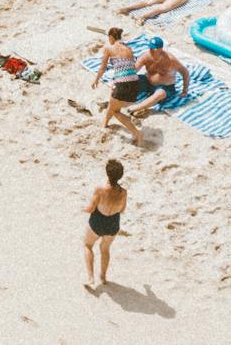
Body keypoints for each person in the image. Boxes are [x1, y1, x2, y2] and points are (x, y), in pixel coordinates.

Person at [92, 27, 145, 146]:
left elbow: (102, 67)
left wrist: (96, 80)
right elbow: (129, 67)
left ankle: (137, 133)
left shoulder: (109, 48)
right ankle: (104, 123)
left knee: (116, 111)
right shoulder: (129, 48)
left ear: (111, 37)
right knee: (112, 104)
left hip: (123, 83)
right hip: (135, 83)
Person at [83, 160, 128, 288]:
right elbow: (122, 210)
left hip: (98, 221)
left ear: (107, 174)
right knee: (105, 250)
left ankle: (91, 278)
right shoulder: (123, 192)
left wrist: (82, 209)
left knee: (88, 245)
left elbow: (91, 208)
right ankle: (103, 276)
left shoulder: (100, 190)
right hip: (113, 223)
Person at [125, 37, 189, 117]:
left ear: (160, 49)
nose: (151, 50)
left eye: (153, 49)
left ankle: (136, 108)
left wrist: (185, 90)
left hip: (165, 87)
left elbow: (185, 72)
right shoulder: (146, 56)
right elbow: (134, 70)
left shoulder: (170, 59)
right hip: (147, 82)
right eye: (150, 48)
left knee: (160, 93)